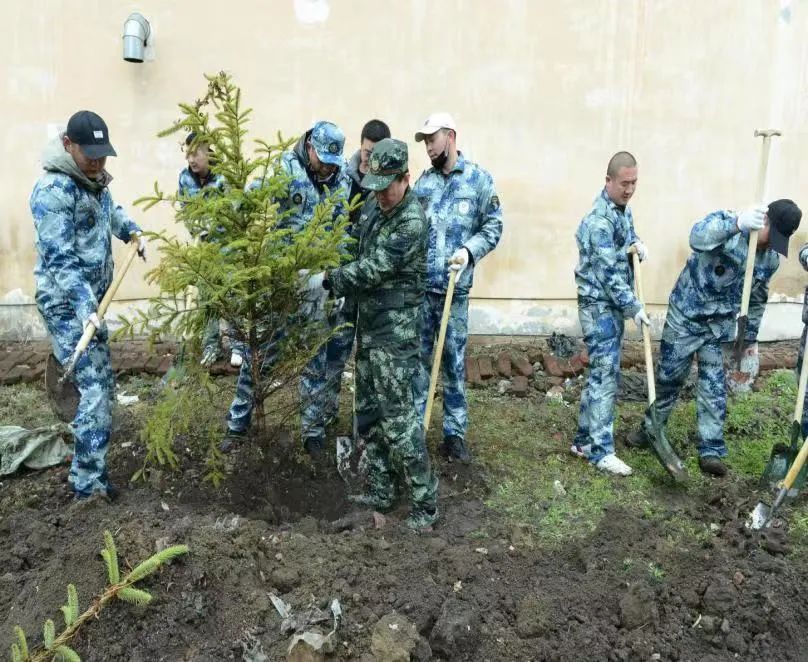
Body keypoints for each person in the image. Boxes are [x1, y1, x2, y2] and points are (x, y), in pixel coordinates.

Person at [628, 200, 801, 476]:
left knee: (713, 386)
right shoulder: (730, 225)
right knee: (669, 378)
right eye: (774, 235)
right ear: (764, 220)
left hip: (718, 326)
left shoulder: (768, 259)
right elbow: (696, 238)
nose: (773, 245)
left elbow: (756, 298)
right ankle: (651, 428)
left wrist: (749, 340)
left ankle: (711, 450)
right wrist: (736, 225)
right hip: (687, 314)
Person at [317, 138, 439, 530]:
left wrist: (327, 280)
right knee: (368, 414)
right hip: (368, 330)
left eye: (387, 187)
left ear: (405, 178)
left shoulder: (412, 221)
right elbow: (355, 246)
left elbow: (373, 268)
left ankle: (425, 504)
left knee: (400, 420)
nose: (380, 196)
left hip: (395, 335)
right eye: (375, 186)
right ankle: (383, 490)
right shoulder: (374, 204)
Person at [31, 110, 146, 499]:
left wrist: (131, 230)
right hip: (66, 304)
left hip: (89, 304)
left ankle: (91, 471)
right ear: (68, 144)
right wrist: (85, 309)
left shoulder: (94, 182)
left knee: (99, 384)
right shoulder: (52, 193)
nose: (97, 162)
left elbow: (109, 212)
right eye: (90, 154)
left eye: (102, 154)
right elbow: (59, 259)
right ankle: (86, 485)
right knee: (96, 389)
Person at [221, 120, 351, 454]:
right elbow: (250, 201)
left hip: (320, 282)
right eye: (322, 159)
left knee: (315, 356)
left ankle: (312, 432)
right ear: (310, 146)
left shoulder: (342, 180)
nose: (327, 168)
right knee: (262, 353)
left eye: (333, 162)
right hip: (281, 279)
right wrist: (230, 237)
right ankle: (238, 424)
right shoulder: (284, 168)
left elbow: (344, 227)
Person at [411, 112, 503, 463]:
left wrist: (469, 250)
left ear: (450, 136)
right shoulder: (424, 184)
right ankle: (417, 429)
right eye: (424, 141)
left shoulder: (478, 180)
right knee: (419, 363)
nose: (428, 147)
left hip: (455, 291)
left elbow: (494, 226)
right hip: (423, 291)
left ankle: (454, 434)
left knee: (453, 362)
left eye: (432, 139)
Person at [571, 152, 648, 476]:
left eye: (633, 183)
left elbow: (625, 242)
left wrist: (636, 243)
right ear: (608, 181)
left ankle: (584, 441)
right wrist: (634, 307)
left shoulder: (621, 210)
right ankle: (601, 451)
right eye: (624, 183)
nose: (629, 189)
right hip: (599, 306)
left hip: (610, 305)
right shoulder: (598, 222)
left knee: (602, 374)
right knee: (605, 377)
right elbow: (609, 274)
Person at [324, 119, 392, 426]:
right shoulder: (340, 176)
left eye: (375, 153)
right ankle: (323, 418)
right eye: (366, 152)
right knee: (334, 352)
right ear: (360, 146)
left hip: (372, 286)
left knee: (368, 360)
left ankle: (362, 426)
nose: (370, 159)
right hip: (341, 282)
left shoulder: (390, 184)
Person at [176, 133, 236, 367]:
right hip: (203, 248)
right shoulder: (184, 178)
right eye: (188, 154)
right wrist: (196, 228)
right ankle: (211, 346)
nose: (191, 159)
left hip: (227, 246)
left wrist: (215, 225)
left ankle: (236, 344)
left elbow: (235, 207)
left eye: (196, 153)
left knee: (231, 295)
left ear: (208, 152)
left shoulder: (224, 177)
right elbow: (184, 207)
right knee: (206, 299)